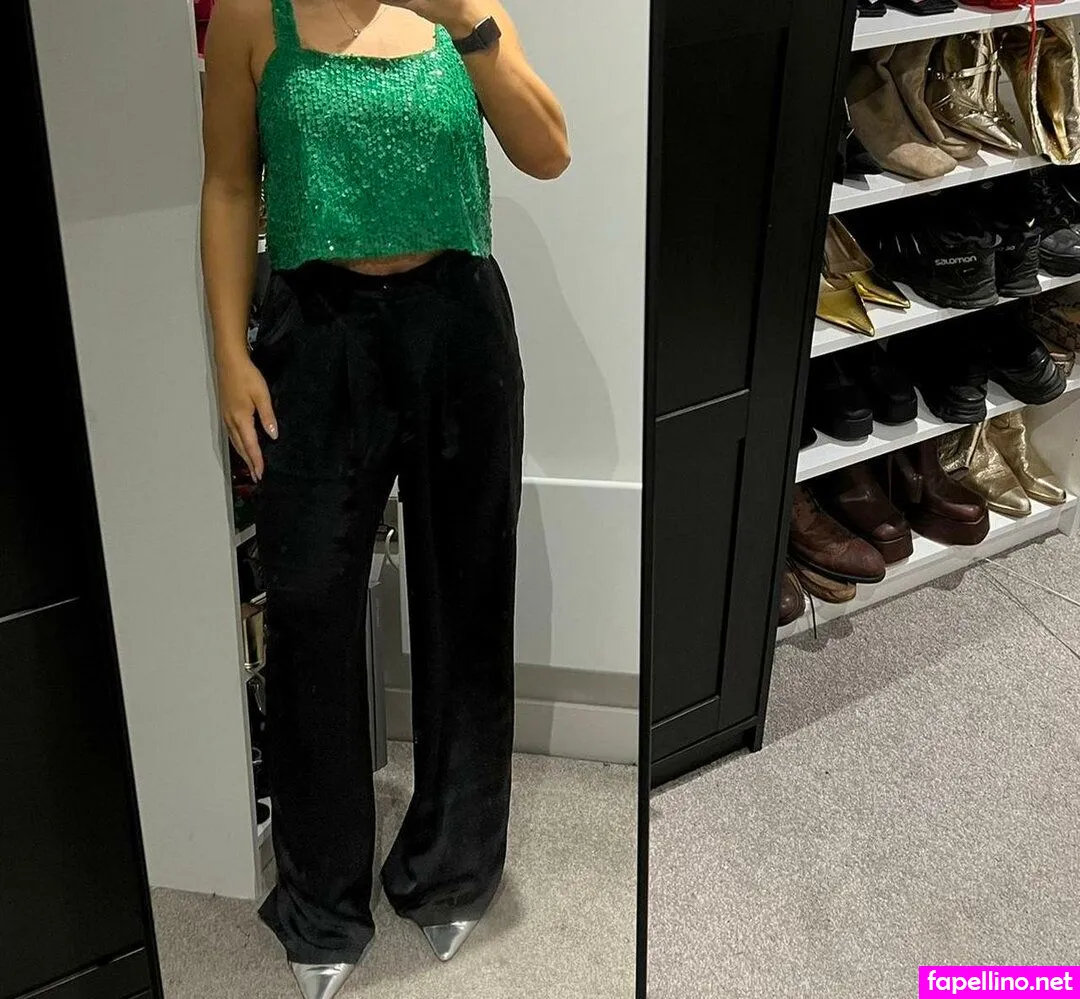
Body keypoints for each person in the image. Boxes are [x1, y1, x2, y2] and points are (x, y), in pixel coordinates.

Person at [200, 1, 569, 995]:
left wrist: (470, 22)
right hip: (314, 334)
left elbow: (548, 153)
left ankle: (451, 867)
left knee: (466, 596)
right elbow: (229, 183)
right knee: (310, 610)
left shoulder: (461, 9)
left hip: (459, 322)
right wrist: (229, 352)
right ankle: (320, 899)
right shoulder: (251, 15)